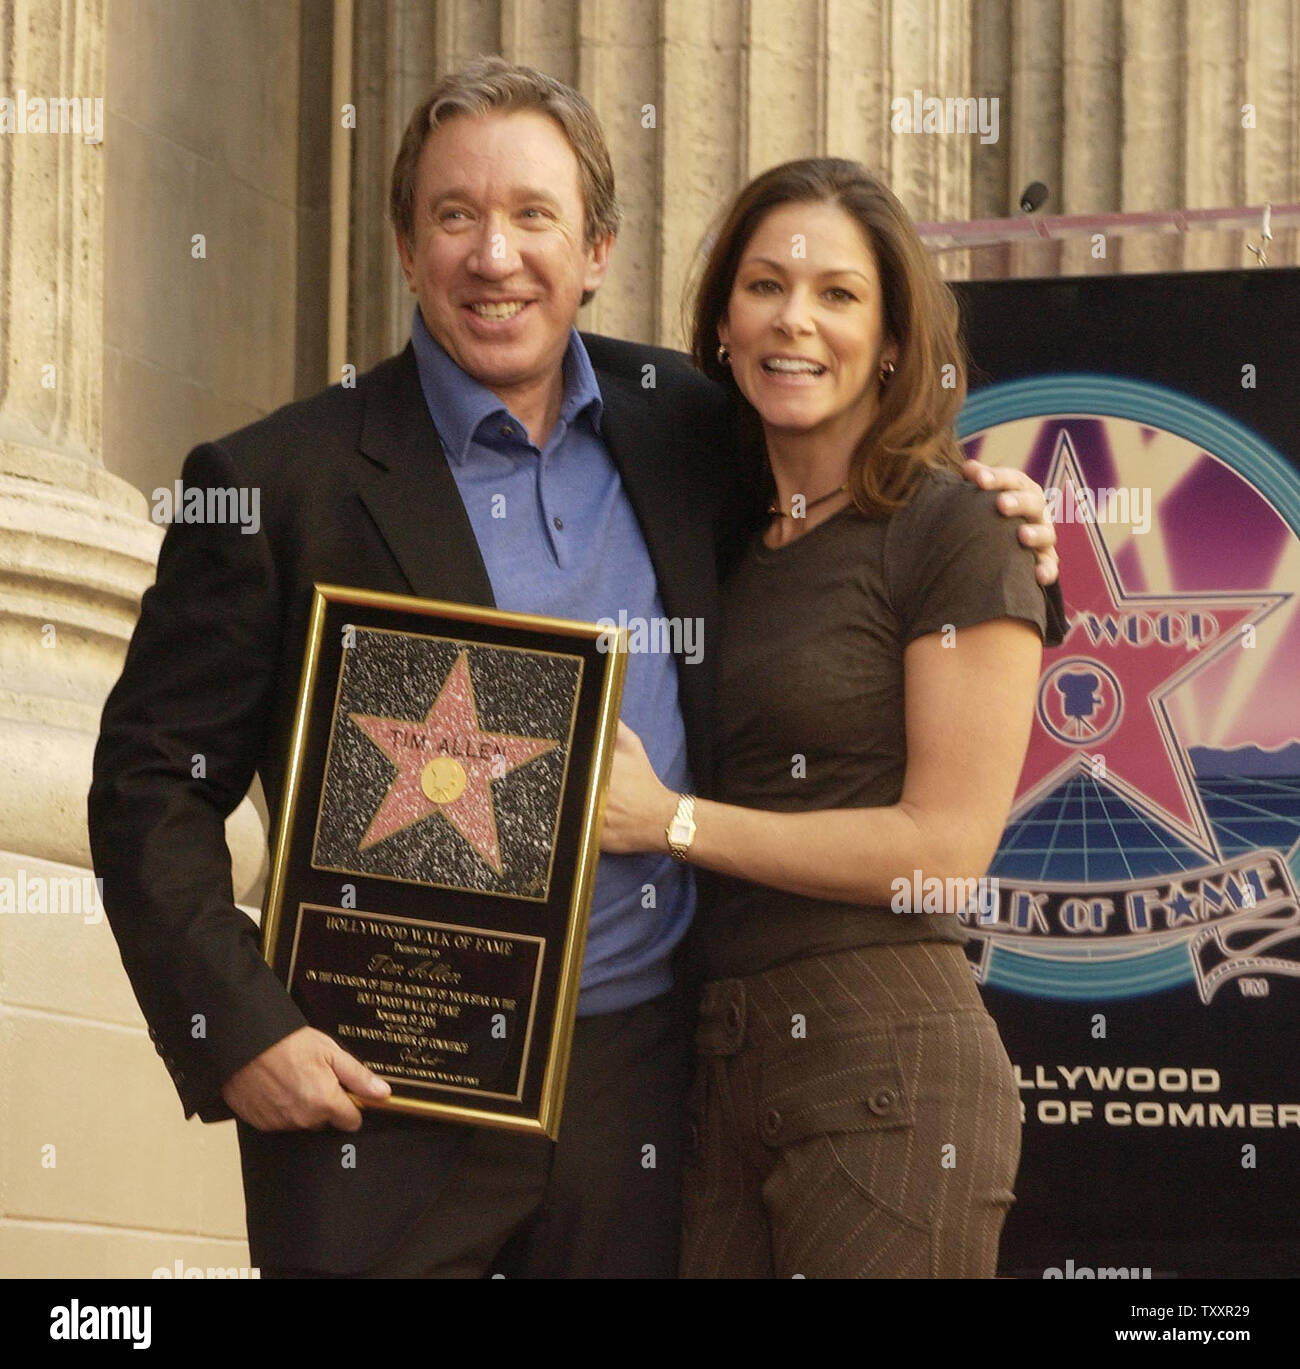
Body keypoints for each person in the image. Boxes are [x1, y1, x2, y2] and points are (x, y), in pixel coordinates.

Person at [88, 59, 1059, 1279]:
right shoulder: (271, 484)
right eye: (456, 215)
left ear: (595, 247)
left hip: (654, 1096)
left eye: (534, 215)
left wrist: (1007, 536)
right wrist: (234, 1027)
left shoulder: (691, 425)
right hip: (385, 1086)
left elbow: (858, 540)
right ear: (404, 244)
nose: (496, 256)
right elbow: (147, 788)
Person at [600, 157, 1048, 1278]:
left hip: (887, 1058)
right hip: (713, 1059)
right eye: (764, 286)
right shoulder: (719, 545)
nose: (794, 320)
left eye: (838, 293)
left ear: (893, 340)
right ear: (720, 324)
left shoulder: (951, 527)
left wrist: (673, 822)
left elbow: (946, 849)